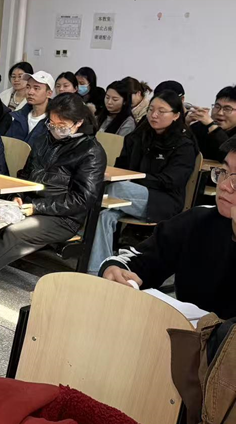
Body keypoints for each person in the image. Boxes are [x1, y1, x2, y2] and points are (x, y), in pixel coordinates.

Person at [100, 136, 236, 319]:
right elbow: (141, 260)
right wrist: (116, 269)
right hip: (187, 329)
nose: (225, 186)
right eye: (224, 172)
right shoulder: (198, 220)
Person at [0, 93, 107, 283]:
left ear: (78, 122)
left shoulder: (91, 152)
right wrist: (18, 195)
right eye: (52, 124)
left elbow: (82, 199)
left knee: (14, 233)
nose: (56, 129)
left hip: (63, 218)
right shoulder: (43, 138)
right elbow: (25, 174)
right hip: (29, 204)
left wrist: (36, 208)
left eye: (62, 126)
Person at [88, 90, 198, 271]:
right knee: (105, 216)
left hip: (163, 201)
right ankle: (98, 270)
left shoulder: (183, 144)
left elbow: (171, 181)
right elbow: (122, 165)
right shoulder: (139, 136)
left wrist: (136, 180)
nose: (154, 115)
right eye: (151, 109)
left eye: (161, 111)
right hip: (128, 195)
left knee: (112, 188)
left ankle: (81, 207)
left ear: (176, 115)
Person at [187, 85, 236, 161]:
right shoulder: (201, 127)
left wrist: (212, 126)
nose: (220, 113)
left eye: (227, 109)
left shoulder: (210, 124)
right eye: (217, 106)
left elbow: (229, 156)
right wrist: (185, 123)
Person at [6, 71, 54, 145]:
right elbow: (7, 142)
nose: (30, 92)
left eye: (36, 88)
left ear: (49, 93)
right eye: (28, 87)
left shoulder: (53, 121)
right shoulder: (20, 116)